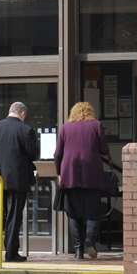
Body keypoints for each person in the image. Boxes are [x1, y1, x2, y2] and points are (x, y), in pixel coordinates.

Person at [53, 101, 113, 260]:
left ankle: (78, 250)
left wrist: (59, 172)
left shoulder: (65, 128)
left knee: (73, 213)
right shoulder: (96, 125)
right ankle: (89, 241)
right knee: (93, 212)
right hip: (91, 174)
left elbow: (58, 154)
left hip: (69, 174)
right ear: (90, 112)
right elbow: (104, 149)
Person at [0, 100, 38, 263]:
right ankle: (11, 252)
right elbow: (33, 154)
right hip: (18, 179)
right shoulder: (26, 130)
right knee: (14, 215)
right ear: (23, 114)